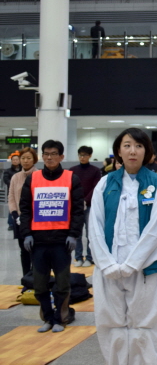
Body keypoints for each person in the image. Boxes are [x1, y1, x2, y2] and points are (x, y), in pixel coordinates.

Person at [88, 128, 157, 365]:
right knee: (111, 324)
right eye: (127, 145)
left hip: (144, 268)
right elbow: (94, 226)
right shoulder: (105, 184)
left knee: (145, 324)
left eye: (138, 146)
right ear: (118, 151)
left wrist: (133, 264)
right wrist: (106, 264)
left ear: (147, 151)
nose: (132, 151)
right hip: (109, 269)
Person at [19, 140, 85, 333]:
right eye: (46, 154)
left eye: (53, 154)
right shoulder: (33, 178)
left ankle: (59, 318)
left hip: (61, 242)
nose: (49, 157)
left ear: (61, 157)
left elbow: (78, 211)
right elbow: (25, 210)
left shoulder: (71, 178)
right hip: (38, 242)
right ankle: (47, 317)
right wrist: (26, 234)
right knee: (39, 286)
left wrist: (73, 234)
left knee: (62, 285)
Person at [69, 146, 102, 267]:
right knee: (76, 233)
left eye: (85, 155)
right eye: (80, 155)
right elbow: (70, 187)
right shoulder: (72, 170)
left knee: (90, 233)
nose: (82, 157)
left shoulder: (95, 171)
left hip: (89, 206)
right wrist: (77, 201)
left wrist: (86, 200)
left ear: (90, 156)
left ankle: (90, 257)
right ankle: (78, 257)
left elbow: (96, 188)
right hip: (76, 206)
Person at [8, 147, 38, 277]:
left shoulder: (39, 175)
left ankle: (37, 279)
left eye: (29, 158)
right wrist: (15, 215)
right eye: (23, 158)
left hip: (35, 219)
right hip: (19, 219)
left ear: (34, 160)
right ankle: (26, 278)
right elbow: (11, 197)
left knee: (36, 250)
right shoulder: (15, 177)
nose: (25, 161)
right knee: (24, 250)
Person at [4, 152, 21, 230]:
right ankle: (11, 224)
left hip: (22, 192)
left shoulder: (23, 170)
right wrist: (14, 184)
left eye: (17, 159)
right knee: (12, 207)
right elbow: (6, 179)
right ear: (11, 161)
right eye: (13, 160)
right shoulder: (8, 171)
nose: (15, 161)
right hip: (12, 192)